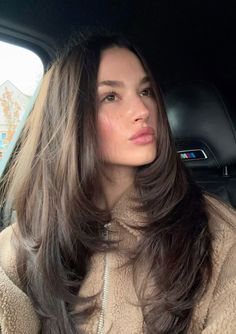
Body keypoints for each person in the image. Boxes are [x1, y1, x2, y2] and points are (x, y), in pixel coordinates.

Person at [0, 33, 236, 334]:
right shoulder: (26, 240)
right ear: (71, 116)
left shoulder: (219, 235)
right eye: (110, 96)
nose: (142, 111)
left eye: (146, 91)